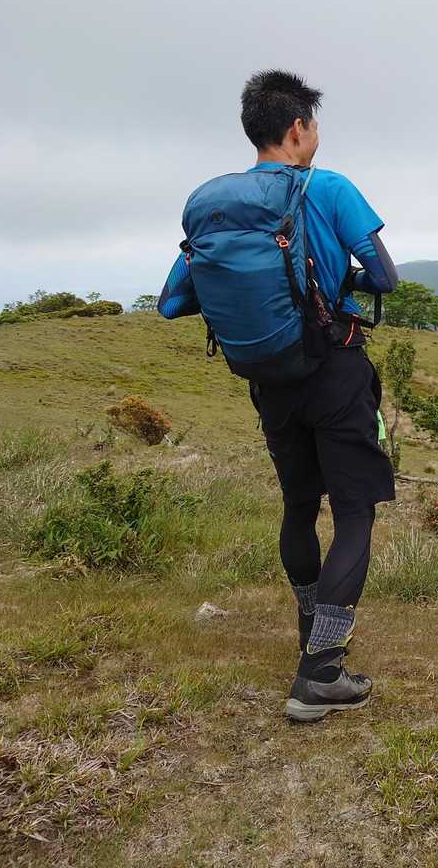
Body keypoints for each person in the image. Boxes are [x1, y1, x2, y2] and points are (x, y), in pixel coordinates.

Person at [158, 70, 399, 720]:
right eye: (314, 125)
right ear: (297, 128)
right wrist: (335, 282)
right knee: (354, 514)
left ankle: (310, 635)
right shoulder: (329, 188)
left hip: (271, 384)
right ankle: (320, 672)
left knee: (299, 508)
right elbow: (385, 276)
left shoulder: (213, 207)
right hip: (335, 371)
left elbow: (172, 301)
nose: (316, 136)